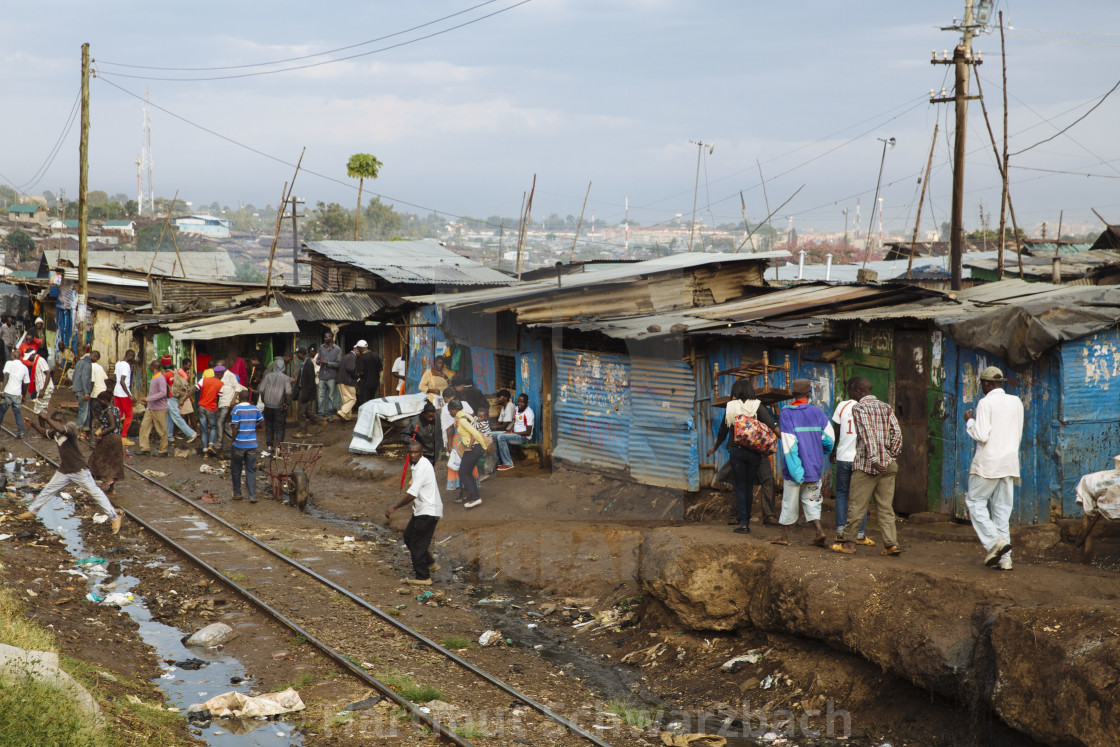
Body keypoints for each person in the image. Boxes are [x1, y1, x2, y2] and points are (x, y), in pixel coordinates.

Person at [832, 377, 904, 556]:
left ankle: (848, 544)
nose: (850, 395)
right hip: (888, 465)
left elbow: (867, 433)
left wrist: (875, 458)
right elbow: (897, 434)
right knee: (886, 507)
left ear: (858, 391)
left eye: (851, 392)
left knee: (856, 505)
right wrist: (890, 456)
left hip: (867, 465)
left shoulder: (859, 408)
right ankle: (891, 544)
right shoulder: (886, 407)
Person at [18, 412, 121, 534]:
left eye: (55, 423)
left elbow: (61, 429)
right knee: (48, 490)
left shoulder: (70, 427)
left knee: (95, 493)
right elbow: (46, 433)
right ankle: (32, 511)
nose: (53, 426)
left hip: (79, 469)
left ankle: (115, 517)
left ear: (61, 421)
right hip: (65, 469)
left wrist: (46, 418)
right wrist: (33, 424)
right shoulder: (55, 431)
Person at [963, 366, 1024, 571]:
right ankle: (1005, 560)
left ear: (986, 384)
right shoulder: (1015, 402)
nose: (982, 387)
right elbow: (1018, 431)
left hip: (989, 463)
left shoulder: (985, 403)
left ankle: (994, 543)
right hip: (1009, 462)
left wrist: (969, 420)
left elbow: (981, 435)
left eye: (982, 384)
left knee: (975, 502)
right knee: (1001, 511)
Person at [707, 379, 778, 533]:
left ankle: (743, 524)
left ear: (736, 391)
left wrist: (715, 447)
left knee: (740, 486)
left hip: (737, 451)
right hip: (754, 452)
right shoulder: (757, 405)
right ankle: (748, 522)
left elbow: (722, 431)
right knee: (749, 487)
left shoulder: (731, 407)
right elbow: (771, 425)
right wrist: (785, 438)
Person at [774, 379, 834, 547]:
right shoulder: (818, 412)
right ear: (809, 393)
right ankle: (820, 531)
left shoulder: (787, 413)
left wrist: (796, 472)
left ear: (793, 393)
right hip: (814, 466)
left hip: (795, 469)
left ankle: (785, 536)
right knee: (812, 500)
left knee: (789, 502)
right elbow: (829, 439)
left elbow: (789, 444)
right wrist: (824, 450)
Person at [385, 440, 443, 587]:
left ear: (421, 453)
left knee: (417, 544)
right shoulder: (417, 465)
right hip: (422, 509)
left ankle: (423, 577)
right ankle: (430, 563)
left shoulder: (423, 466)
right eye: (410, 452)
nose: (413, 455)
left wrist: (394, 507)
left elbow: (412, 494)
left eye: (416, 452)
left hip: (427, 510)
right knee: (409, 537)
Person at [831, 378, 871, 544]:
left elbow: (836, 431)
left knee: (841, 494)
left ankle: (841, 531)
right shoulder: (870, 407)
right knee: (860, 498)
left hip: (842, 457)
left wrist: (833, 451)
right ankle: (859, 534)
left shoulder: (842, 406)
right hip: (860, 460)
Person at [448, 399, 488, 509]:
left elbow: (476, 433)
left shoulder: (462, 420)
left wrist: (484, 448)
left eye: (450, 411)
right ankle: (474, 496)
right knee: (467, 472)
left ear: (454, 410)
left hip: (474, 448)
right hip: (472, 447)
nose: (449, 413)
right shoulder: (468, 416)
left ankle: (475, 498)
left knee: (463, 473)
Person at [229, 390, 264, 503]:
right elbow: (262, 423)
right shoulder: (256, 409)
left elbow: (235, 427)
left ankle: (238, 494)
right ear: (249, 398)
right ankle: (252, 495)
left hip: (239, 444)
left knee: (236, 469)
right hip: (252, 444)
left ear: (239, 398)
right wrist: (253, 426)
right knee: (251, 470)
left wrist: (233, 440)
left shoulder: (236, 409)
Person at [88, 391, 124, 494]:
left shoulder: (108, 411)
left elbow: (112, 426)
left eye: (100, 401)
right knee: (113, 462)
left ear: (104, 400)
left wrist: (101, 434)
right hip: (117, 438)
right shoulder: (116, 409)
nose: (99, 404)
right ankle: (111, 489)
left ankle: (106, 479)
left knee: (97, 459)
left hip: (109, 439)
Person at [495, 393, 535, 472]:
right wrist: (509, 431)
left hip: (523, 437)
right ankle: (498, 460)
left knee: (501, 437)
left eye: (522, 402)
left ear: (527, 403)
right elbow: (515, 423)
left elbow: (528, 432)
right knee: (492, 435)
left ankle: (508, 463)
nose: (520, 404)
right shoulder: (516, 409)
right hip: (514, 434)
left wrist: (513, 433)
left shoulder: (529, 413)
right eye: (519, 402)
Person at [259, 359, 291, 457]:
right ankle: (278, 448)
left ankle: (269, 447)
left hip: (268, 406)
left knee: (269, 425)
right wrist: (287, 402)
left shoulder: (268, 376)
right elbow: (288, 392)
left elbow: (261, 389)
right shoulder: (286, 378)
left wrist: (264, 400)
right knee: (280, 427)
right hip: (279, 406)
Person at [138, 360, 170, 457]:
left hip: (159, 408)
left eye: (150, 366)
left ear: (153, 367)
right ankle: (145, 449)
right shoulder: (155, 377)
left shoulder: (160, 378)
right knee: (144, 427)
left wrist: (148, 398)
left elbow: (163, 393)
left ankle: (163, 450)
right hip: (151, 408)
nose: (149, 367)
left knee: (162, 430)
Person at [166, 357, 198, 445]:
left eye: (190, 366)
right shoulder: (179, 372)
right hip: (180, 396)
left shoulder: (181, 372)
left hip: (180, 396)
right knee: (176, 416)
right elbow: (181, 385)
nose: (189, 367)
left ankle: (191, 433)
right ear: (184, 365)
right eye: (188, 365)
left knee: (177, 416)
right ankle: (172, 435)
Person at [196, 363, 226, 456]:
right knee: (213, 427)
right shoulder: (221, 384)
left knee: (203, 429)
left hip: (201, 407)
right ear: (221, 374)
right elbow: (218, 397)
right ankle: (211, 445)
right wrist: (217, 409)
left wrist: (184, 399)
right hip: (211, 408)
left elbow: (194, 389)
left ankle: (205, 453)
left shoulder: (203, 379)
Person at [215, 363, 245, 451]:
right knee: (224, 424)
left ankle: (219, 444)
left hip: (227, 403)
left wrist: (233, 399)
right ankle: (237, 440)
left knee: (220, 423)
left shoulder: (230, 375)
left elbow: (238, 388)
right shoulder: (221, 376)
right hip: (222, 403)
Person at [293, 347, 321, 437]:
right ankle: (321, 422)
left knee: (301, 412)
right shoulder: (304, 364)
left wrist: (307, 394)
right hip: (303, 390)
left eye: (298, 354)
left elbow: (311, 381)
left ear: (301, 354)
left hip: (305, 392)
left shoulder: (308, 364)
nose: (297, 356)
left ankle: (303, 432)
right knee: (306, 411)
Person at [0, 349, 28, 437]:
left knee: (1, 411)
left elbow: (6, 377)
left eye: (11, 356)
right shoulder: (24, 367)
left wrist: (2, 390)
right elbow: (26, 383)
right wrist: (23, 395)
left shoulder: (9, 363)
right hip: (17, 394)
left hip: (8, 392)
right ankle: (21, 432)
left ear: (14, 356)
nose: (9, 357)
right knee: (17, 413)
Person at [113, 349, 136, 446]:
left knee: (118, 414)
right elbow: (122, 381)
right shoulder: (126, 365)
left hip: (116, 392)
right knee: (129, 415)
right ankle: (123, 437)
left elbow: (116, 378)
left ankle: (115, 434)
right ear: (130, 356)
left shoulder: (118, 363)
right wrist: (130, 395)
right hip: (124, 394)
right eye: (133, 357)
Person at [316, 332, 341, 420]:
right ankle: (320, 415)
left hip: (331, 376)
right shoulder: (321, 347)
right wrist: (318, 362)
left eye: (327, 337)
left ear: (332, 338)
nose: (325, 339)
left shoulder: (337, 349)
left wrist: (327, 363)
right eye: (324, 337)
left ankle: (330, 415)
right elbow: (317, 359)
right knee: (321, 397)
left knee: (330, 397)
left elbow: (338, 364)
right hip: (322, 375)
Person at [336, 342, 360, 422]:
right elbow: (351, 369)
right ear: (356, 350)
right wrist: (356, 375)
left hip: (341, 380)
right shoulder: (353, 357)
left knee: (347, 399)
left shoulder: (346, 356)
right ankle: (342, 412)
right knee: (353, 399)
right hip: (348, 381)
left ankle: (347, 416)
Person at [72, 348, 93, 434]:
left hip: (77, 389)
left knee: (85, 410)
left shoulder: (79, 362)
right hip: (82, 390)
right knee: (83, 411)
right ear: (94, 357)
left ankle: (85, 429)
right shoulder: (87, 364)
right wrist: (87, 392)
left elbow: (73, 376)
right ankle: (77, 430)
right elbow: (85, 378)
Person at [355, 340, 383, 406]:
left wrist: (357, 377)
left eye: (358, 348)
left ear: (360, 348)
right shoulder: (376, 355)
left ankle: (365, 415)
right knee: (372, 401)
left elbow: (361, 372)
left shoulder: (361, 358)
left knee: (364, 402)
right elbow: (381, 368)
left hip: (365, 384)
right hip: (375, 384)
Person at [29, 345, 54, 416]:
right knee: (39, 411)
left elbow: (48, 373)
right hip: (41, 389)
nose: (28, 359)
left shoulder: (40, 360)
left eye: (29, 357)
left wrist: (43, 390)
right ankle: (42, 426)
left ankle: (43, 427)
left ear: (33, 354)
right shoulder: (36, 362)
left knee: (40, 411)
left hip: (45, 389)